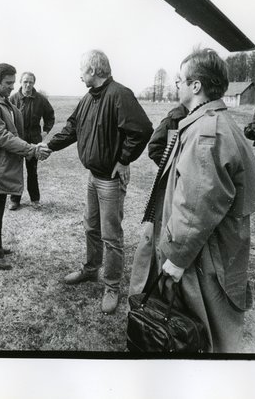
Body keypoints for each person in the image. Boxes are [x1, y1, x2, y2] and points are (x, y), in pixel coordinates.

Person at [129, 48, 255, 352]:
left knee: (200, 333)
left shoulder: (208, 132)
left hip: (201, 255)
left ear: (196, 86)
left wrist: (177, 259)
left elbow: (197, 206)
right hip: (201, 248)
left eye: (180, 80)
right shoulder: (206, 123)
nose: (176, 85)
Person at [43, 49, 153, 314]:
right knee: (91, 227)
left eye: (82, 70)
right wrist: (49, 146)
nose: (79, 75)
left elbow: (142, 130)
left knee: (111, 236)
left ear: (93, 71)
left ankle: (112, 285)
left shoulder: (120, 95)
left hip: (111, 181)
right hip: (93, 177)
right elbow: (72, 129)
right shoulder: (87, 98)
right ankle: (91, 270)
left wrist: (124, 160)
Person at [0, 63, 51, 271]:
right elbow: (3, 137)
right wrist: (32, 149)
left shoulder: (0, 99)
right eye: (8, 83)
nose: (11, 87)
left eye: (13, 83)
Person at [8, 71, 55, 210]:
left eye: (31, 82)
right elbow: (4, 117)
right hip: (17, 140)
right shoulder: (13, 99)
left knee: (32, 171)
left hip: (34, 140)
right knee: (15, 170)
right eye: (25, 82)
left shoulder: (40, 99)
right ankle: (14, 200)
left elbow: (50, 116)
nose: (28, 85)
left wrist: (44, 132)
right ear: (20, 82)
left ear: (34, 83)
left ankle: (35, 199)